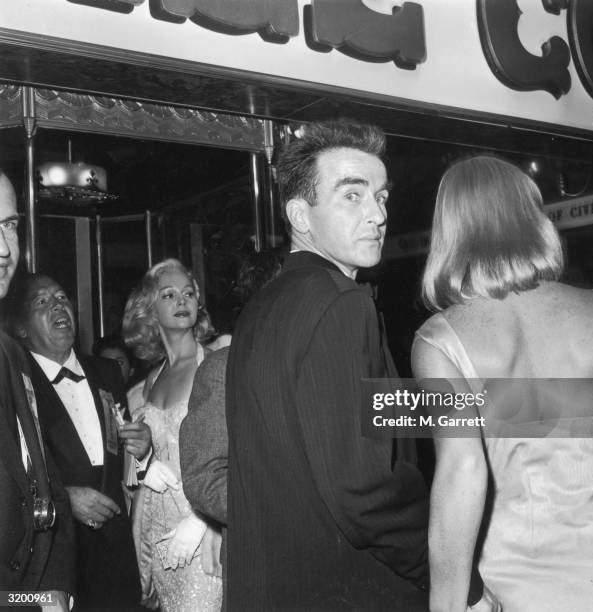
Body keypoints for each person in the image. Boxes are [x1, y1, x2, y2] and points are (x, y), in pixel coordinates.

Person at [224, 119, 431, 611]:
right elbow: (362, 489)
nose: (378, 215)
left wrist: (526, 403)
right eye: (353, 196)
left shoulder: (265, 305)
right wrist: (442, 562)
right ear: (301, 214)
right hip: (347, 590)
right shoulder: (341, 303)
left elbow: (372, 413)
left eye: (381, 197)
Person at [412, 155, 593, 612]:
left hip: (511, 589)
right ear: (532, 218)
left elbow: (462, 470)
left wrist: (448, 602)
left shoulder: (439, 340)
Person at [12, 272, 148, 611]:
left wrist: (143, 450)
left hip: (116, 560)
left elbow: (121, 461)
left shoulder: (107, 372)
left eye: (61, 297)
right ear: (21, 328)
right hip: (56, 562)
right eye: (42, 301)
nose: (58, 304)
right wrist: (64, 497)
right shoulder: (13, 385)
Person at [180, 247, 282, 608]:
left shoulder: (340, 356)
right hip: (266, 566)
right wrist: (286, 513)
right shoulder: (224, 368)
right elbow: (204, 477)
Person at [123, 258, 222, 612]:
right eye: (169, 294)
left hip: (203, 531)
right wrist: (145, 458)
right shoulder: (150, 380)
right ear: (149, 308)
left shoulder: (216, 364)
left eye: (189, 293)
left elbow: (243, 453)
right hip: (158, 530)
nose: (182, 300)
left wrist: (202, 521)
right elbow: (142, 465)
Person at [0, 172, 75, 612]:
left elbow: (44, 488)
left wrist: (53, 593)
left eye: (9, 225)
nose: (5, 250)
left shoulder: (11, 354)